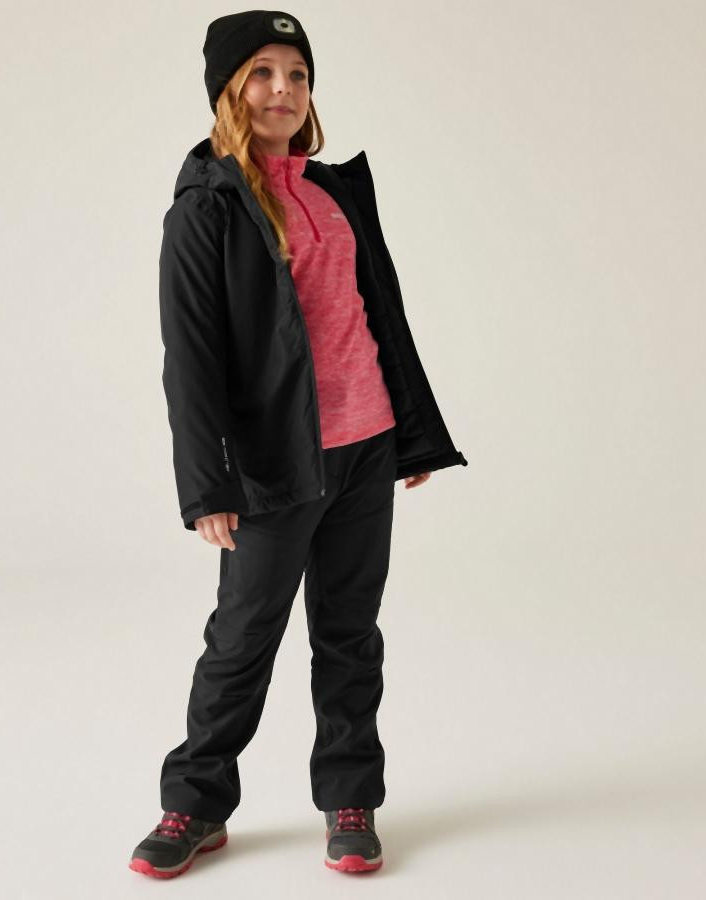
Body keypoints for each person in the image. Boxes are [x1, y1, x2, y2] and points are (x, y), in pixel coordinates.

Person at [130, 9, 468, 880]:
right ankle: (195, 804)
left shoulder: (332, 191)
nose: (284, 90)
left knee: (350, 634)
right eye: (264, 73)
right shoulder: (205, 207)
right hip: (275, 464)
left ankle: (350, 801)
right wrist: (208, 486)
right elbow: (189, 358)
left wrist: (410, 435)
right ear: (229, 90)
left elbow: (377, 316)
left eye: (299, 74)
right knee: (244, 636)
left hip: (366, 445)